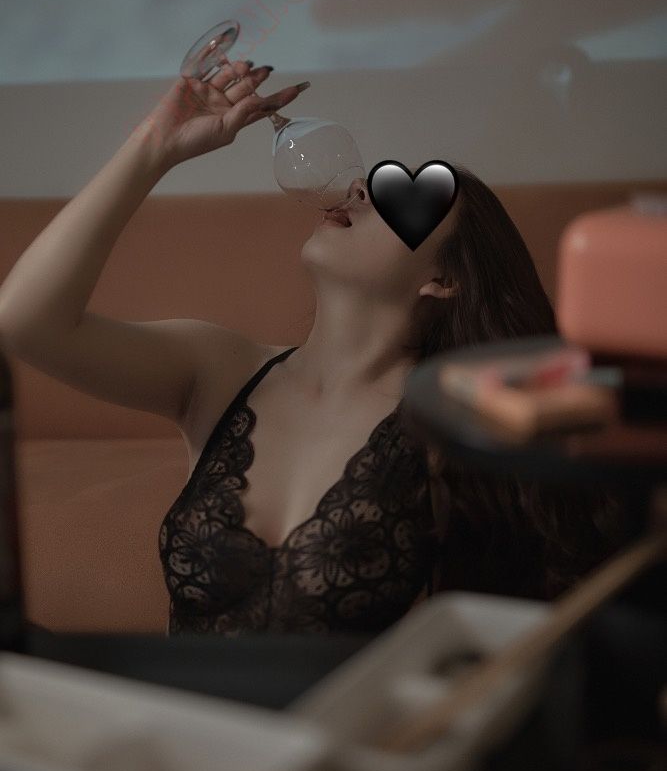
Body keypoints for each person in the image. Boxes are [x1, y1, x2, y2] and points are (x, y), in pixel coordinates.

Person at [0, 59, 628, 639]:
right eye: (373, 180)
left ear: (444, 279)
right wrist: (155, 147)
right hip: (182, 716)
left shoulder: (454, 421)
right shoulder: (217, 371)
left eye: (405, 196)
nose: (362, 191)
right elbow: (26, 321)